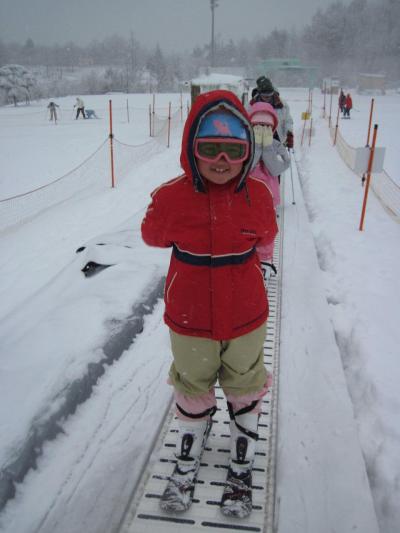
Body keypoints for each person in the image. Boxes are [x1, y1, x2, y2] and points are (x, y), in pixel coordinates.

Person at [141, 89, 277, 517]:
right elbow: (151, 235)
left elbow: (267, 237)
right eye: (210, 148)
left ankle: (242, 452)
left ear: (247, 151)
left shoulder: (259, 195)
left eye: (234, 150)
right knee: (192, 381)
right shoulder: (171, 197)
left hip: (245, 316)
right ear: (191, 148)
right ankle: (190, 442)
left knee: (245, 381)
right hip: (190, 319)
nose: (222, 160)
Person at [248, 101, 290, 269]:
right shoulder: (246, 145)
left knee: (266, 228)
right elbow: (245, 168)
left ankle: (264, 259)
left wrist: (267, 150)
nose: (262, 129)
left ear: (272, 128)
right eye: (258, 125)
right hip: (247, 196)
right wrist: (257, 148)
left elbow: (277, 168)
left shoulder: (275, 145)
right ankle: (246, 256)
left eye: (266, 126)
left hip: (268, 197)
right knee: (246, 227)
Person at [249, 76, 294, 149]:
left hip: (277, 139)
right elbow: (245, 121)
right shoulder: (251, 105)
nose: (267, 98)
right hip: (256, 139)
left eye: (269, 95)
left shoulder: (281, 105)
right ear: (259, 93)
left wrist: (289, 133)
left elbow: (287, 121)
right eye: (264, 96)